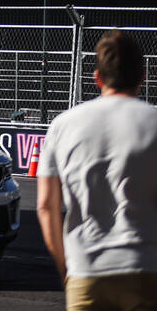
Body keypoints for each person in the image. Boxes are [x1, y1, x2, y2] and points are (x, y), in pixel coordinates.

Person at [37, 30, 157, 310]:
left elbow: (45, 205)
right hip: (148, 268)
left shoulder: (63, 124)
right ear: (143, 76)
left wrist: (66, 267)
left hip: (87, 269)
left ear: (98, 78)